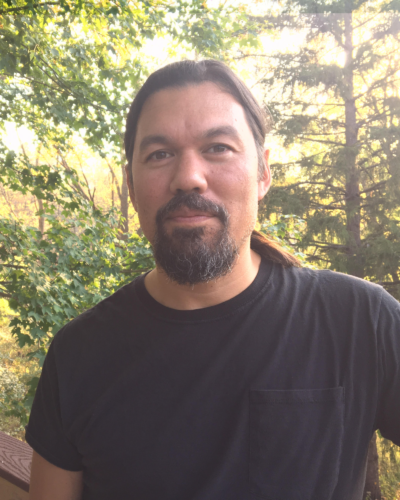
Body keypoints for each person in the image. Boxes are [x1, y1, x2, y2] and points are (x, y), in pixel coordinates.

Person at [27, 60, 400, 500]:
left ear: (263, 173)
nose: (188, 177)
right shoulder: (78, 355)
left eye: (218, 147)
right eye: (159, 154)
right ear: (130, 184)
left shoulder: (360, 321)